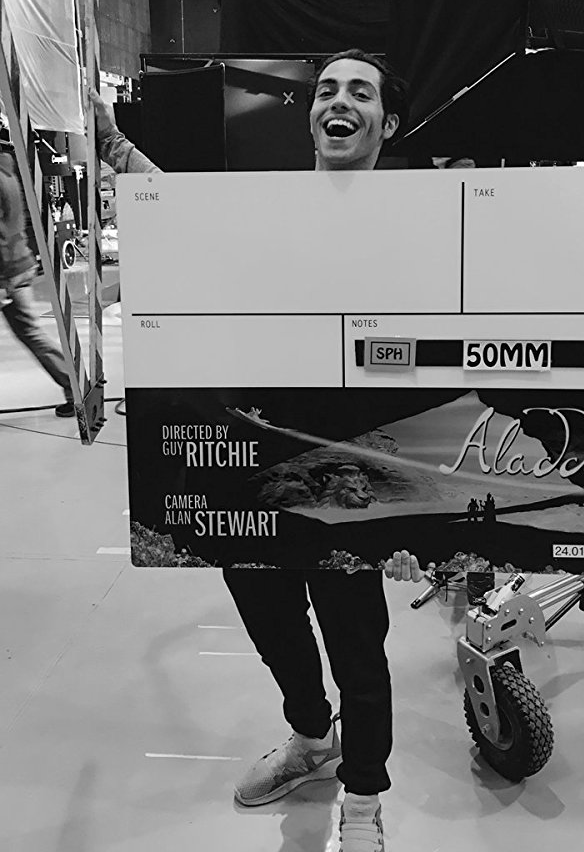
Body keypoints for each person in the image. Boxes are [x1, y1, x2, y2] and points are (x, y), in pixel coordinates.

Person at [92, 52, 428, 852]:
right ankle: (312, 740)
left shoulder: (419, 222)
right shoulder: (260, 206)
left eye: (360, 92)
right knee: (273, 625)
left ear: (387, 122)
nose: (338, 101)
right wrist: (110, 144)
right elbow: (173, 209)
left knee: (358, 646)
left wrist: (430, 520)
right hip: (248, 471)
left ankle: (364, 797)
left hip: (352, 478)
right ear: (310, 115)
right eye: (326, 90)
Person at [0, 98, 74, 416]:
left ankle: (73, 384)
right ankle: (73, 384)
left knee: (31, 333)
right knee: (30, 332)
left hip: (7, 269)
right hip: (18, 263)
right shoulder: (8, 169)